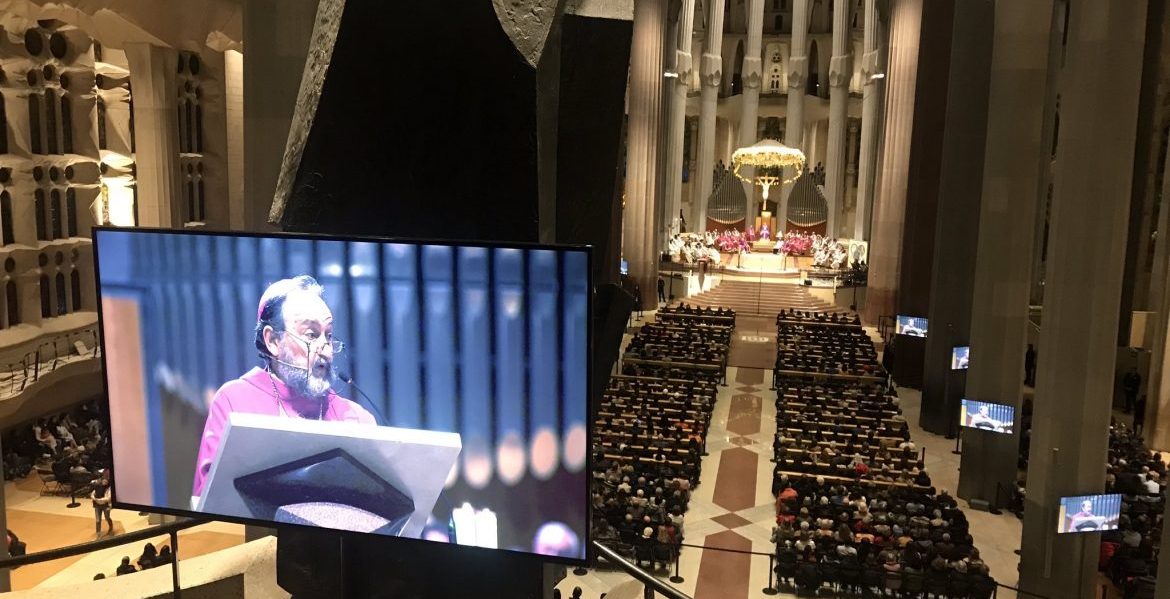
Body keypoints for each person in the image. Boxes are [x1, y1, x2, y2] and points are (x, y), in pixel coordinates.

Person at [191, 276, 376, 503]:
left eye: (328, 336)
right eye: (311, 335)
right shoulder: (234, 403)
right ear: (273, 341)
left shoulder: (357, 419)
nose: (326, 351)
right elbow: (210, 502)